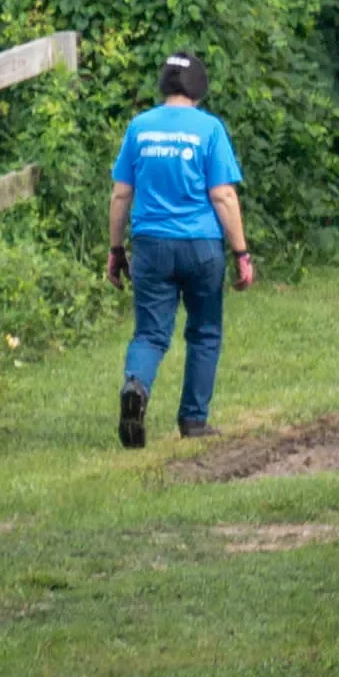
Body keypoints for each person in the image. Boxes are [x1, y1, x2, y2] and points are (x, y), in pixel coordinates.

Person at [108, 52, 254, 449]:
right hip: (200, 246)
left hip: (151, 245)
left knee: (151, 334)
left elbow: (122, 193)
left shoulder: (139, 128)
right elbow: (223, 195)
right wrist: (241, 253)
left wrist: (116, 249)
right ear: (199, 88)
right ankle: (193, 420)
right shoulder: (209, 129)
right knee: (204, 332)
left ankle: (136, 387)